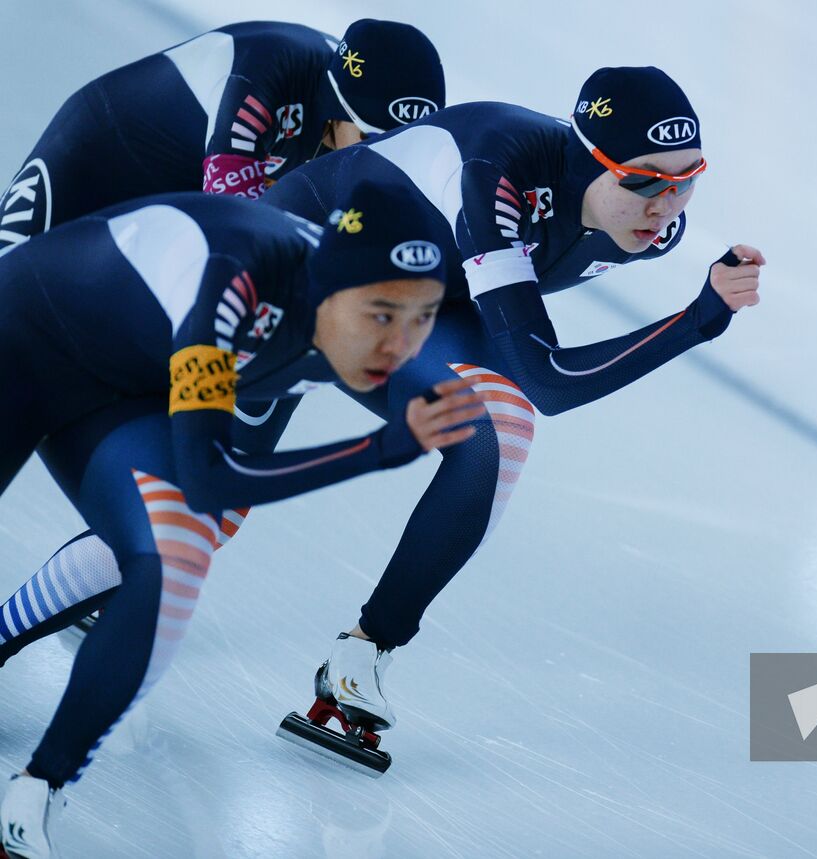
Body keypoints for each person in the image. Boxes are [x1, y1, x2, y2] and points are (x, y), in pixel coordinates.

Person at [1, 66, 766, 771]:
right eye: (643, 181)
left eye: (688, 183)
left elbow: (513, 357)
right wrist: (697, 318)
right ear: (587, 157)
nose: (666, 206)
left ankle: (363, 654)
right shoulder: (493, 174)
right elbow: (550, 378)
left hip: (429, 300)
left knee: (492, 431)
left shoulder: (650, 227)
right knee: (201, 514)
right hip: (300, 284)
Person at [0, 182, 483, 859]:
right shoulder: (233, 277)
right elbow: (207, 476)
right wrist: (372, 450)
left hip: (121, 394)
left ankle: (35, 791)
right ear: (326, 288)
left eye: (425, 316)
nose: (401, 345)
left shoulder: (358, 312)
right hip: (21, 336)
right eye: (381, 315)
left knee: (175, 551)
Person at [0, 18, 444, 255]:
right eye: (373, 140)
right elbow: (234, 217)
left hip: (175, 189)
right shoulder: (272, 66)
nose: (380, 159)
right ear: (340, 111)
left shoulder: (346, 130)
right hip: (95, 151)